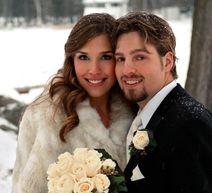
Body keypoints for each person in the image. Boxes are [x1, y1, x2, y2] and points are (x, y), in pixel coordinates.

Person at [11, 13, 136, 193]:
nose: (94, 70)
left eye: (105, 57)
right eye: (84, 57)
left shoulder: (133, 109)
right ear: (71, 59)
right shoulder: (47, 115)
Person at [114, 11, 212, 193]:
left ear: (167, 62)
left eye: (140, 57)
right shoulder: (147, 118)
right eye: (120, 59)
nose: (127, 69)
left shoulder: (191, 125)